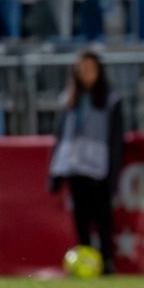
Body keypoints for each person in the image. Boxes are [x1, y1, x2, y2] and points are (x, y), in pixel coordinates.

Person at [48, 51, 125, 275]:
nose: (86, 74)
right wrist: (53, 173)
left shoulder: (111, 100)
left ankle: (106, 262)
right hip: (74, 164)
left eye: (90, 69)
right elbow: (60, 136)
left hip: (98, 167)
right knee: (80, 218)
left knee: (102, 217)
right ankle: (85, 261)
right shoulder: (68, 99)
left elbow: (116, 139)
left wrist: (113, 173)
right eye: (82, 69)